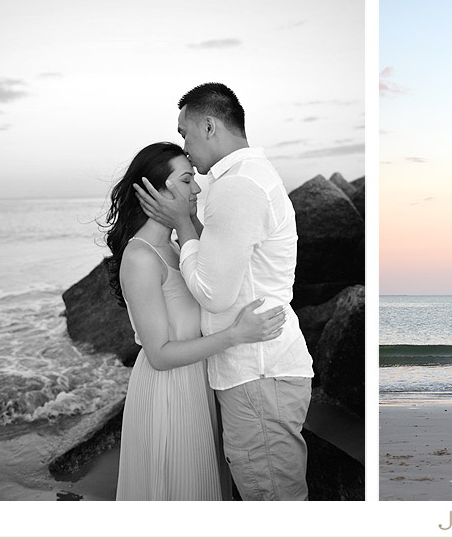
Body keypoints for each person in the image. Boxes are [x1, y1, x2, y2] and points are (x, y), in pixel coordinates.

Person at [134, 83, 314, 501]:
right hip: (259, 370)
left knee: (270, 498)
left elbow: (213, 294)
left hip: (257, 371)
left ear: (210, 125)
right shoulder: (246, 179)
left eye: (185, 133)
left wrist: (182, 225)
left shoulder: (238, 186)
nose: (185, 144)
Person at [103, 142, 286, 500]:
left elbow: (219, 270)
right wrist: (235, 335)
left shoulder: (176, 246)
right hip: (167, 390)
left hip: (196, 380)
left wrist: (185, 221)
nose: (198, 188)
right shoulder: (141, 258)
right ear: (157, 190)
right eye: (187, 180)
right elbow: (159, 354)